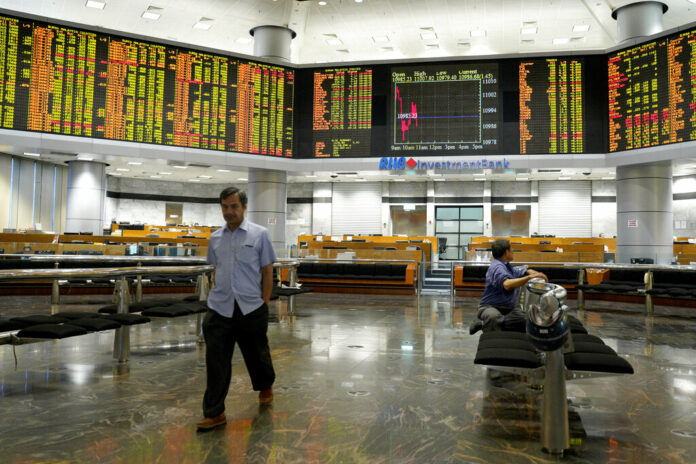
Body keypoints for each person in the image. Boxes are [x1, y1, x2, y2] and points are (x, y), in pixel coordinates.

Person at [196, 187, 277, 430]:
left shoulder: (260, 234)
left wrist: (264, 301)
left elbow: (267, 271)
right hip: (220, 308)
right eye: (225, 207)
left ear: (243, 207)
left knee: (257, 354)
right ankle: (214, 412)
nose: (229, 212)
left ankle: (265, 385)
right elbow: (215, 269)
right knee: (216, 361)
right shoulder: (215, 238)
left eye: (234, 207)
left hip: (251, 307)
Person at [469, 238, 548, 334]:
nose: (513, 252)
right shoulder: (497, 267)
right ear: (506, 252)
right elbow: (507, 285)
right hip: (490, 307)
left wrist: (529, 271)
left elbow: (518, 271)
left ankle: (483, 324)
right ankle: (490, 328)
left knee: (527, 320)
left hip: (509, 309)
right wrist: (529, 277)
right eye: (511, 249)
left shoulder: (506, 265)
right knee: (493, 317)